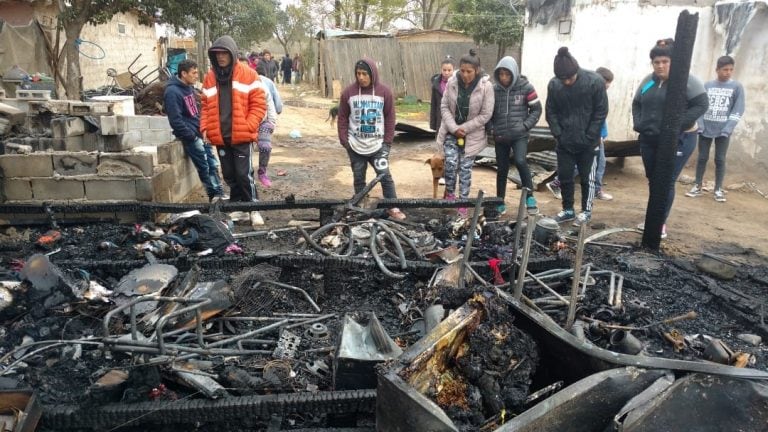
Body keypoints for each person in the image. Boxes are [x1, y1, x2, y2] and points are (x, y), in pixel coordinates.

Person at [632, 38, 708, 238]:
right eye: (657, 62)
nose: (660, 66)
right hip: (649, 138)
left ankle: (659, 223)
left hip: (680, 138)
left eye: (665, 61)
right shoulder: (648, 81)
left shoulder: (687, 81)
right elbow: (637, 103)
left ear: (673, 62)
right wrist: (639, 123)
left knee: (666, 180)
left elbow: (701, 104)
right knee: (653, 179)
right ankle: (653, 216)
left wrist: (677, 126)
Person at [201, 36, 268, 226]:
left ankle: (253, 208)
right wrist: (204, 127)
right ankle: (238, 207)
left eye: (224, 53)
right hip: (221, 136)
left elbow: (259, 105)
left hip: (241, 135)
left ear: (232, 54)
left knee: (243, 174)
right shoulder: (210, 77)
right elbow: (205, 106)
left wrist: (249, 125)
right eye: (217, 54)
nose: (221, 57)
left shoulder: (248, 74)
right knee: (229, 174)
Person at [545, 47, 608, 226]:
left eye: (570, 78)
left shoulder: (594, 82)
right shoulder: (554, 85)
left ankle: (586, 211)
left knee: (588, 178)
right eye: (562, 79)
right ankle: (568, 209)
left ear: (576, 71)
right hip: (565, 142)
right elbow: (551, 111)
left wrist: (590, 136)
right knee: (565, 176)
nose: (566, 82)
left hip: (589, 143)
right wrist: (558, 134)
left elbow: (600, 111)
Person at [337, 58, 406, 220]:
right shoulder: (348, 93)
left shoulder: (384, 92)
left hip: (378, 146)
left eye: (364, 74)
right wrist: (345, 141)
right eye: (358, 73)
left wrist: (387, 143)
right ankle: (360, 207)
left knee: (385, 176)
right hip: (355, 146)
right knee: (359, 178)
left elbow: (390, 118)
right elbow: (342, 118)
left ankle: (393, 207)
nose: (361, 77)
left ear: (372, 74)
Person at [436, 49, 495, 217]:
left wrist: (465, 128)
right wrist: (454, 128)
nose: (465, 74)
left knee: (465, 169)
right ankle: (450, 195)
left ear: (477, 70)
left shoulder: (486, 87)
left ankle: (463, 201)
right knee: (450, 165)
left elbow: (486, 114)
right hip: (451, 132)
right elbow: (444, 106)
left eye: (469, 71)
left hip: (472, 136)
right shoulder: (452, 82)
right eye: (462, 70)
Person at [164, 59, 226, 202]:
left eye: (197, 72)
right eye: (194, 73)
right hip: (192, 137)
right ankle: (214, 196)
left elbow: (195, 112)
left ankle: (220, 194)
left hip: (200, 134)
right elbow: (175, 120)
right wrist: (191, 136)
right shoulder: (172, 92)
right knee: (204, 167)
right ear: (183, 73)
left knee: (213, 164)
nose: (196, 75)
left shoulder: (189, 88)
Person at [687, 55, 745, 203]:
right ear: (717, 70)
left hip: (723, 131)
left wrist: (728, 128)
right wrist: (700, 124)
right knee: (702, 158)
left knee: (720, 159)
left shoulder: (736, 87)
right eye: (725, 69)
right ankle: (697, 186)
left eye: (731, 69)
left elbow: (738, 109)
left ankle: (718, 189)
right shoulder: (707, 86)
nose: (728, 72)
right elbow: (700, 107)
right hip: (705, 128)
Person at [489, 55, 542, 214]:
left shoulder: (526, 87)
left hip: (519, 135)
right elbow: (487, 112)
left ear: (514, 73)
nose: (504, 78)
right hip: (501, 136)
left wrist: (525, 126)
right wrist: (491, 128)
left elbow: (536, 109)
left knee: (520, 161)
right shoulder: (494, 90)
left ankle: (529, 197)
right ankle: (500, 200)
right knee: (502, 168)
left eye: (507, 74)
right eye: (501, 74)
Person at [238, 52, 283, 188]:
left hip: (262, 120)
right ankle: (246, 175)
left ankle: (262, 172)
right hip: (242, 123)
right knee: (244, 151)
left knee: (265, 146)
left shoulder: (260, 83)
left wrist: (271, 122)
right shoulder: (233, 86)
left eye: (246, 67)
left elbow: (270, 102)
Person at [594, 66, 615, 201]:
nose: (607, 84)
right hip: (593, 137)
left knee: (599, 164)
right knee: (589, 164)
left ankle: (597, 190)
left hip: (598, 136)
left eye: (609, 82)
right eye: (605, 81)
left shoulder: (601, 94)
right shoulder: (593, 95)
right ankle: (557, 182)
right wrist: (597, 135)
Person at [429, 57, 455, 131]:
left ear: (453, 70)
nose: (446, 72)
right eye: (444, 70)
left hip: (453, 119)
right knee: (440, 140)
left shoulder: (457, 83)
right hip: (440, 118)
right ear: (441, 69)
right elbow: (433, 104)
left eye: (449, 70)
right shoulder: (436, 84)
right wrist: (433, 123)